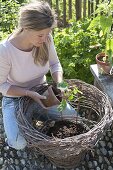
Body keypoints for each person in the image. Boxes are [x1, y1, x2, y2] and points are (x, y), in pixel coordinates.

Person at [0, 1, 63, 150]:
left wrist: (61, 85)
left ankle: (33, 118)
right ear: (26, 27)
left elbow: (55, 64)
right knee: (18, 144)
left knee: (71, 117)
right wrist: (29, 93)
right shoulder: (5, 50)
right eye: (40, 35)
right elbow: (2, 85)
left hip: (42, 92)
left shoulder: (46, 39)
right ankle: (23, 121)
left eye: (48, 34)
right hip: (15, 98)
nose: (45, 39)